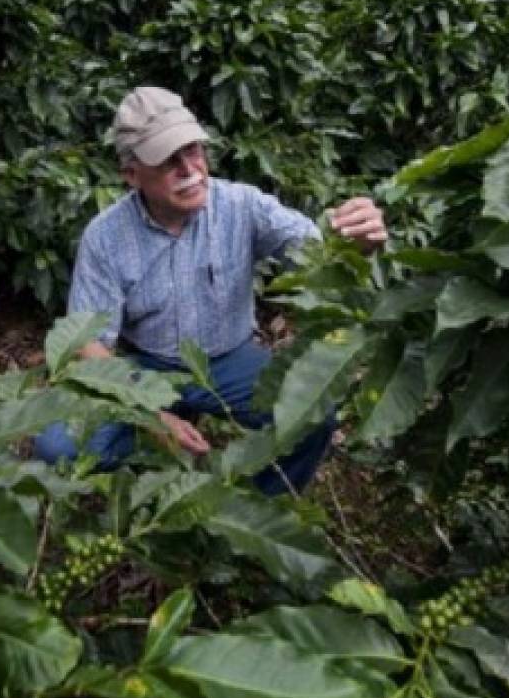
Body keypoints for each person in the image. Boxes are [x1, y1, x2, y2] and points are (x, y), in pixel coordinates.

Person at [34, 86, 387, 494]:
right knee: (57, 445)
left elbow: (314, 247)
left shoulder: (241, 205)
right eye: (168, 160)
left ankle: (260, 505)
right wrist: (150, 417)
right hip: (147, 365)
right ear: (131, 175)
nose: (190, 170)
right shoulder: (106, 238)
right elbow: (89, 347)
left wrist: (356, 237)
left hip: (227, 359)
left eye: (193, 150)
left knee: (314, 414)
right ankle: (146, 483)